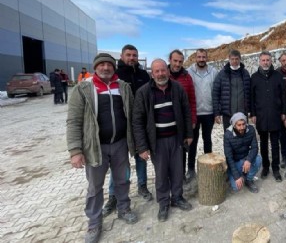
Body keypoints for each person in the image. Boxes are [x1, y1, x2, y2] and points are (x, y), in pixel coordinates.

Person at [66, 53, 138, 243]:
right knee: (95, 187)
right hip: (95, 147)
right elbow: (73, 121)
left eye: (109, 65)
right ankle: (94, 223)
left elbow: (131, 116)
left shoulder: (123, 87)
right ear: (95, 67)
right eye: (102, 64)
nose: (106, 68)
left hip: (121, 144)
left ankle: (124, 209)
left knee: (122, 180)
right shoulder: (83, 89)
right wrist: (75, 150)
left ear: (114, 67)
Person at [133, 59, 193, 222]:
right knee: (161, 173)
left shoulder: (177, 88)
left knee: (177, 170)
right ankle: (164, 203)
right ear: (152, 74)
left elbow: (186, 111)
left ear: (167, 71)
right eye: (156, 71)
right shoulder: (143, 92)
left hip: (176, 138)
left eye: (162, 70)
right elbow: (137, 121)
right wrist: (142, 147)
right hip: (157, 141)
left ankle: (177, 197)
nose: (160, 74)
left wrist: (189, 134)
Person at [103, 45, 152, 217]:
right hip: (121, 126)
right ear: (122, 56)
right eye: (129, 55)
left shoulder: (143, 75)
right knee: (120, 164)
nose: (132, 58)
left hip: (140, 124)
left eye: (135, 55)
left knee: (141, 157)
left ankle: (142, 186)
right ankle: (113, 196)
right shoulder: (115, 76)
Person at [250, 51, 286, 182]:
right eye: (263, 60)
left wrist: (283, 112)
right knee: (264, 144)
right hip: (260, 116)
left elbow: (283, 96)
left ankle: (275, 169)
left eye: (268, 60)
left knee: (275, 144)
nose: (265, 62)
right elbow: (251, 98)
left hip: (275, 115)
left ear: (271, 61)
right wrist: (253, 114)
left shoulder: (278, 76)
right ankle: (265, 167)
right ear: (259, 61)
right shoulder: (254, 77)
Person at [188, 49, 218, 180]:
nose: (201, 59)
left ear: (207, 58)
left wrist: (217, 111)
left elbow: (217, 91)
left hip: (209, 112)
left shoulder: (213, 72)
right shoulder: (189, 72)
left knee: (208, 140)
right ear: (195, 58)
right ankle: (190, 169)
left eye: (203, 57)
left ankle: (208, 165)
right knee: (192, 142)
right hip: (194, 113)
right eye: (199, 57)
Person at [168, 49, 197, 181]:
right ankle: (169, 177)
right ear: (170, 60)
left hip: (182, 121)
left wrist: (192, 119)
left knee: (182, 149)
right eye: (175, 61)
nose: (178, 64)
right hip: (166, 120)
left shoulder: (187, 77)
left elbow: (192, 100)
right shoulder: (163, 74)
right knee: (167, 151)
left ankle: (181, 176)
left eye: (180, 61)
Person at [212, 49, 251, 131]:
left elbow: (250, 93)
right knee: (229, 138)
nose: (234, 61)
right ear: (229, 59)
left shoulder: (245, 74)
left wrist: (251, 110)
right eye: (232, 59)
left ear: (240, 59)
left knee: (243, 139)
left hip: (242, 114)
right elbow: (215, 94)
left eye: (236, 59)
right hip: (228, 115)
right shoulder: (222, 74)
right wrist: (217, 113)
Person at [223, 112, 262, 193]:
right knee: (236, 188)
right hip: (235, 162)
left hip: (245, 159)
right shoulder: (227, 135)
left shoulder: (250, 130)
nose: (242, 127)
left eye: (243, 124)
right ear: (234, 125)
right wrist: (237, 177)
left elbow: (255, 148)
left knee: (258, 159)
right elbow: (229, 158)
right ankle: (234, 175)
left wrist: (249, 160)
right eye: (239, 125)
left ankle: (248, 179)